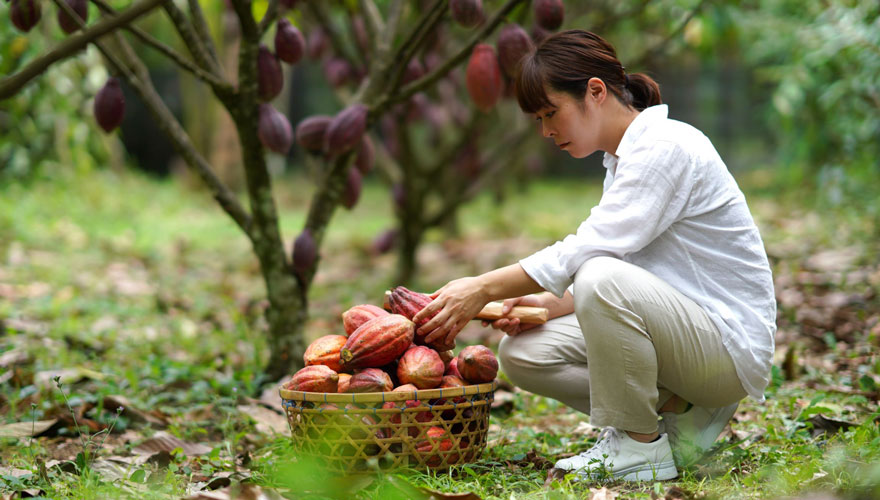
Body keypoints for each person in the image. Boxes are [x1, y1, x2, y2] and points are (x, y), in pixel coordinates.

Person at [412, 30, 776, 482]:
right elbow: (628, 269)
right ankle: (679, 413)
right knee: (524, 352)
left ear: (595, 91)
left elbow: (595, 258)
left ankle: (638, 445)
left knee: (598, 274)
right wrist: (534, 307)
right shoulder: (624, 160)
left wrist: (483, 285)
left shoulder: (665, 147)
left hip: (724, 347)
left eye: (551, 112)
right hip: (681, 332)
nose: (546, 130)